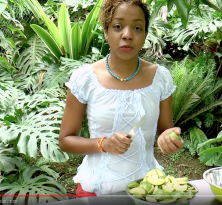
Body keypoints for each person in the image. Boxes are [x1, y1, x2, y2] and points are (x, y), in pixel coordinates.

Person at [58, 0, 184, 198]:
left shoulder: (160, 78)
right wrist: (103, 144)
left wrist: (168, 139)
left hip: (148, 190)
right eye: (118, 26)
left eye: (137, 27)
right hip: (97, 190)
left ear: (145, 34)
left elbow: (165, 130)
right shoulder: (86, 78)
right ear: (106, 31)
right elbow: (66, 140)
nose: (127, 34)